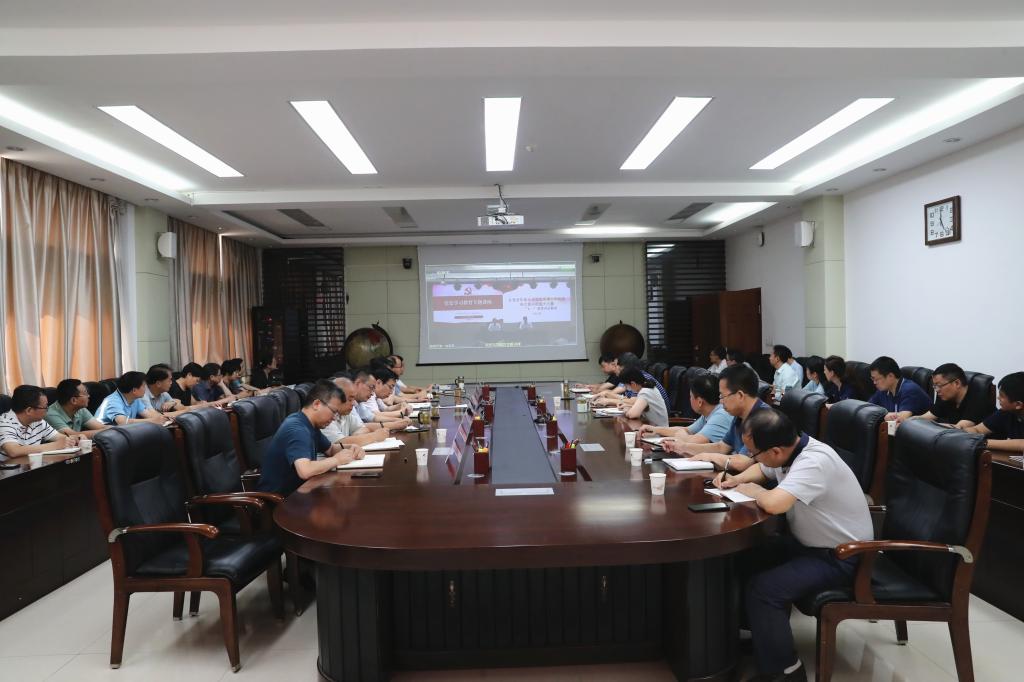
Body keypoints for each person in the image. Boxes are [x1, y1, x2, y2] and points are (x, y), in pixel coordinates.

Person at [714, 409, 872, 682]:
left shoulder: (814, 462)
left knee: (764, 589)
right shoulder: (789, 449)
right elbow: (762, 469)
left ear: (775, 450)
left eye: (753, 452)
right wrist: (736, 480)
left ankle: (786, 671)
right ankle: (763, 638)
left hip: (841, 557)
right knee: (747, 556)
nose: (752, 457)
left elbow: (775, 503)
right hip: (809, 545)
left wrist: (753, 491)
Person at [256, 380, 365, 495]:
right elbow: (305, 470)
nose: (334, 418)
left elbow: (330, 449)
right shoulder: (297, 429)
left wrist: (351, 448)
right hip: (280, 499)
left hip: (300, 492)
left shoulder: (309, 424)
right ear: (316, 404)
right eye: (333, 412)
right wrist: (337, 460)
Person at [673, 364, 771, 471]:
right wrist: (683, 447)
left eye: (723, 396)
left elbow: (743, 461)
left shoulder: (763, 419)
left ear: (740, 395)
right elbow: (722, 447)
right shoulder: (739, 415)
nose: (720, 401)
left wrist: (708, 456)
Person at [640, 374, 732, 446]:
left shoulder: (721, 415)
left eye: (691, 396)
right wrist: (655, 430)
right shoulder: (708, 413)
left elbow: (694, 442)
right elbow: (687, 430)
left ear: (700, 402)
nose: (689, 399)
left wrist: (681, 434)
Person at [1, 385, 79, 458]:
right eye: (45, 407)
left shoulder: (38, 421)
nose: (47, 410)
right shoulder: (4, 423)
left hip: (33, 466)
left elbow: (60, 438)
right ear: (29, 410)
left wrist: (74, 438)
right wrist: (56, 445)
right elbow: (14, 451)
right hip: (13, 468)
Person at [914, 363, 993, 429]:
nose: (937, 390)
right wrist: (909, 421)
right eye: (935, 386)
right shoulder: (946, 397)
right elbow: (925, 417)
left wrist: (929, 426)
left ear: (957, 383)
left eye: (939, 385)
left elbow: (959, 429)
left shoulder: (978, 400)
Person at [320, 377, 390, 446]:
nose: (353, 403)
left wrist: (354, 438)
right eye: (350, 399)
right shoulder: (325, 415)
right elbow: (340, 443)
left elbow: (364, 429)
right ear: (335, 397)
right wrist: (374, 436)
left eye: (353, 399)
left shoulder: (345, 413)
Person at [965, 372, 1024, 451]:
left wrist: (982, 443)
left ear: (1018, 404)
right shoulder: (1005, 412)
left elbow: (1022, 444)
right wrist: (961, 435)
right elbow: (978, 430)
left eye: (1002, 396)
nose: (998, 398)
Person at [867, 356, 931, 421]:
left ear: (890, 376)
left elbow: (900, 419)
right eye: (872, 379)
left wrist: (882, 416)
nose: (874, 382)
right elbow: (868, 408)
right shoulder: (883, 390)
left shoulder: (910, 390)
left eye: (876, 379)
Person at [95, 371, 166, 425]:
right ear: (134, 390)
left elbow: (148, 414)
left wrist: (164, 419)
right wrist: (152, 421)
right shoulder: (112, 401)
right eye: (144, 386)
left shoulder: (135, 398)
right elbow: (122, 422)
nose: (146, 389)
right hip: (104, 435)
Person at [44, 379, 109, 436]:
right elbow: (73, 435)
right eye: (85, 393)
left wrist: (113, 429)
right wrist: (106, 431)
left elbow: (101, 427)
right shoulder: (51, 414)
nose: (88, 396)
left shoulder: (81, 409)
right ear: (73, 400)